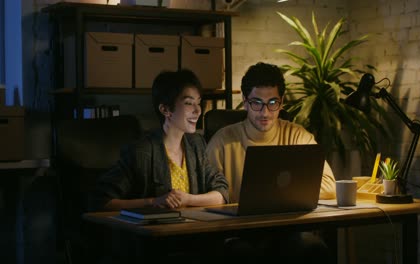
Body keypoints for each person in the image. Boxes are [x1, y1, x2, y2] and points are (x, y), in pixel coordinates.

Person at [206, 62, 336, 258]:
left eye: (273, 103)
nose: (265, 113)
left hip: (287, 231)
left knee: (313, 249)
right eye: (256, 103)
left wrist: (278, 197)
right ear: (244, 99)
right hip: (239, 233)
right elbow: (203, 195)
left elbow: (329, 186)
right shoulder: (223, 140)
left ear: (282, 101)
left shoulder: (297, 135)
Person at [90, 69, 229, 211]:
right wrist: (153, 201)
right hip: (156, 231)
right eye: (189, 103)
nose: (198, 110)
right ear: (165, 109)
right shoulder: (141, 152)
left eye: (198, 102)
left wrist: (188, 199)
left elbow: (222, 193)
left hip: (193, 229)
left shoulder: (196, 144)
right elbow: (101, 200)